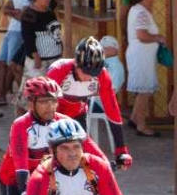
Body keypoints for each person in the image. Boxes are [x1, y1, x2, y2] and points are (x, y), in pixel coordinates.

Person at [0, 77, 109, 195]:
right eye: (44, 102)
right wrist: (24, 191)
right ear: (31, 103)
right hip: (16, 179)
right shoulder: (20, 125)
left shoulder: (64, 121)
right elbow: (20, 162)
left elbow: (87, 144)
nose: (50, 107)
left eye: (53, 101)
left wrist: (105, 164)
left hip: (46, 177)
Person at [45, 37, 130, 165]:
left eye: (93, 73)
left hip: (78, 114)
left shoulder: (103, 75)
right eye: (85, 72)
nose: (88, 77)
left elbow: (112, 110)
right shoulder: (58, 70)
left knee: (80, 160)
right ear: (76, 64)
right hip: (53, 113)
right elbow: (44, 109)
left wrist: (121, 149)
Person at [24, 120, 124, 195]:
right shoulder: (40, 177)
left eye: (76, 147)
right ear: (51, 150)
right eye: (64, 148)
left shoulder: (97, 166)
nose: (72, 153)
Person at [124, 0, 165, 135]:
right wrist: (158, 37)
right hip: (141, 55)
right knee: (145, 90)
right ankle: (142, 125)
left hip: (141, 55)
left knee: (144, 88)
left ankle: (135, 119)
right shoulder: (141, 12)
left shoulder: (137, 9)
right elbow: (141, 35)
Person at [16, 0, 61, 111]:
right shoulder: (29, 15)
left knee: (50, 91)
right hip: (39, 60)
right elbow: (28, 38)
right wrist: (36, 56)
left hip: (54, 58)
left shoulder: (49, 13)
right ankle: (23, 119)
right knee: (31, 92)